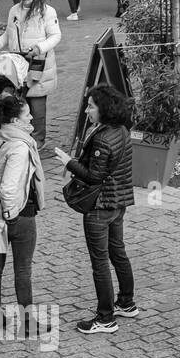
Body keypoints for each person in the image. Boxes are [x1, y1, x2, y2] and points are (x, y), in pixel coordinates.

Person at [54, 84, 139, 334]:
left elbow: (93, 176)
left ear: (104, 109)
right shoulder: (122, 130)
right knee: (118, 253)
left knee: (100, 262)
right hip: (119, 202)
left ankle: (105, 318)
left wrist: (68, 162)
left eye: (91, 106)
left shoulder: (103, 138)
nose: (87, 110)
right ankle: (126, 302)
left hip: (101, 206)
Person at [0, 94, 45, 332]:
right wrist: (12, 214)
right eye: (27, 114)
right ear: (15, 119)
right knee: (23, 268)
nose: (32, 116)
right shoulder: (20, 147)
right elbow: (9, 187)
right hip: (19, 213)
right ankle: (27, 323)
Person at [0, 0, 62, 147]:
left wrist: (39, 47)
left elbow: (55, 36)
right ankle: (20, 137)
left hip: (38, 65)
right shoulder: (14, 10)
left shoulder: (47, 11)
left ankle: (38, 140)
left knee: (37, 106)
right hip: (17, 64)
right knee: (19, 104)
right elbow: (8, 34)